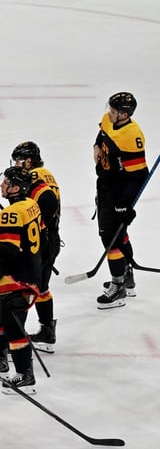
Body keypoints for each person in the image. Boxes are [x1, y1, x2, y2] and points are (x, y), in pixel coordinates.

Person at [0, 167, 42, 394]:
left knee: (13, 326)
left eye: (6, 182)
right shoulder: (31, 205)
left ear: (16, 188)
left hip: (16, 279)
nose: (1, 186)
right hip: (24, 275)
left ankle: (24, 375)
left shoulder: (11, 214)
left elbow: (8, 250)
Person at [94, 92, 147, 310]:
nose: (110, 113)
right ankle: (126, 274)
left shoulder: (132, 136)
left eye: (114, 110)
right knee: (119, 234)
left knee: (110, 238)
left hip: (118, 190)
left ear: (124, 114)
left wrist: (125, 203)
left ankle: (118, 287)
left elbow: (139, 175)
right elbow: (101, 136)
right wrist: (96, 146)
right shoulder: (109, 120)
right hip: (105, 185)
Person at [10, 142, 61, 350]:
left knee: (26, 286)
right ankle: (47, 329)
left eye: (19, 160)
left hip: (40, 240)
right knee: (42, 287)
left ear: (29, 160)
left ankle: (17, 336)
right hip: (51, 238)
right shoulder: (46, 174)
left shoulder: (35, 178)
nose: (16, 164)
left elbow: (43, 209)